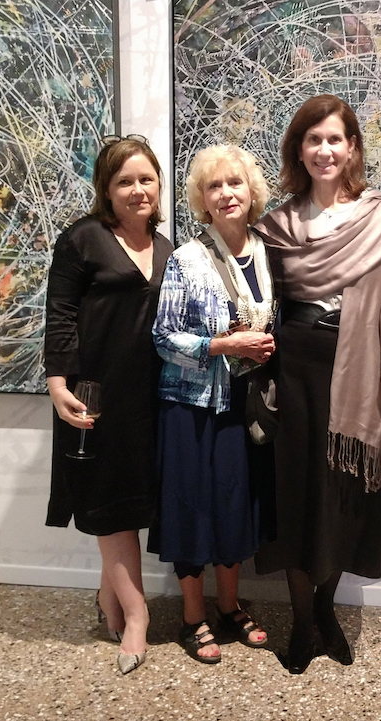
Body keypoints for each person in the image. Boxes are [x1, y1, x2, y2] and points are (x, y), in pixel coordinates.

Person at [253, 95, 381, 673]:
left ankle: (326, 609)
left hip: (357, 379)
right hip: (293, 374)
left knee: (344, 502)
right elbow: (255, 304)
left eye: (334, 140)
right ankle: (302, 621)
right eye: (313, 140)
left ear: (352, 149)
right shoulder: (274, 227)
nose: (324, 150)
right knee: (299, 499)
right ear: (299, 149)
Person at [44, 134, 173, 675]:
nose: (137, 189)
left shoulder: (169, 249)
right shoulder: (83, 239)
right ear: (107, 189)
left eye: (146, 178)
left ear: (159, 185)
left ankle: (108, 600)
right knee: (109, 503)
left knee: (133, 502)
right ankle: (137, 614)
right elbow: (60, 315)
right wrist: (57, 384)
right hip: (96, 394)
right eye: (125, 181)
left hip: (154, 396)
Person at [148, 145, 276, 664]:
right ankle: (194, 616)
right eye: (214, 186)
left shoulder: (269, 253)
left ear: (252, 193)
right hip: (191, 405)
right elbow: (163, 336)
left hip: (246, 406)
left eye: (235, 184)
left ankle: (230, 605)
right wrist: (224, 346)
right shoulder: (187, 258)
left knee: (233, 506)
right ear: (202, 199)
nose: (226, 194)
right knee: (191, 508)